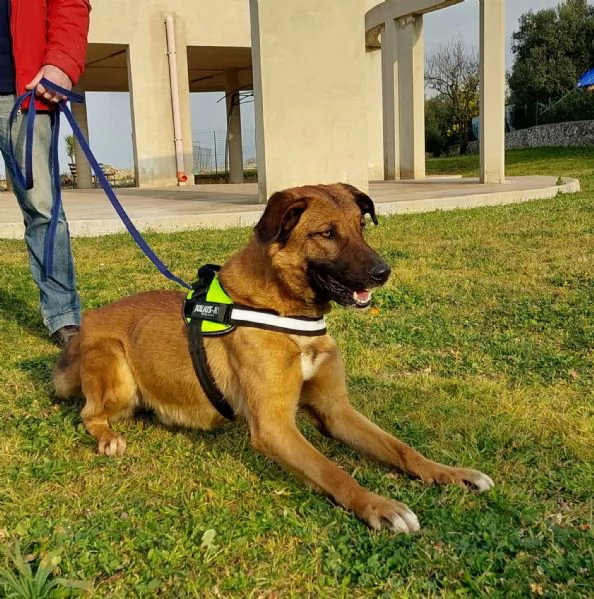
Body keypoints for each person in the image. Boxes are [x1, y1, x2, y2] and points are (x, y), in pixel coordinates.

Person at [0, 0, 91, 346]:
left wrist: (62, 64)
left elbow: (70, 3)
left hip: (21, 92)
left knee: (43, 209)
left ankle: (63, 314)